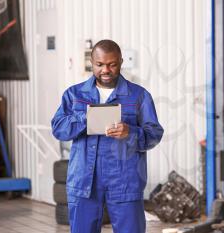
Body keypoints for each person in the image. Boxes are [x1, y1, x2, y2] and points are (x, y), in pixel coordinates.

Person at [51, 39, 164, 233]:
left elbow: (154, 134)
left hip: (125, 181)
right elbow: (58, 129)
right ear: (91, 63)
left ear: (120, 62)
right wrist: (85, 117)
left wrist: (131, 132)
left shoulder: (138, 96)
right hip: (84, 181)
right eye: (100, 64)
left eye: (112, 64)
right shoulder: (74, 95)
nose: (106, 70)